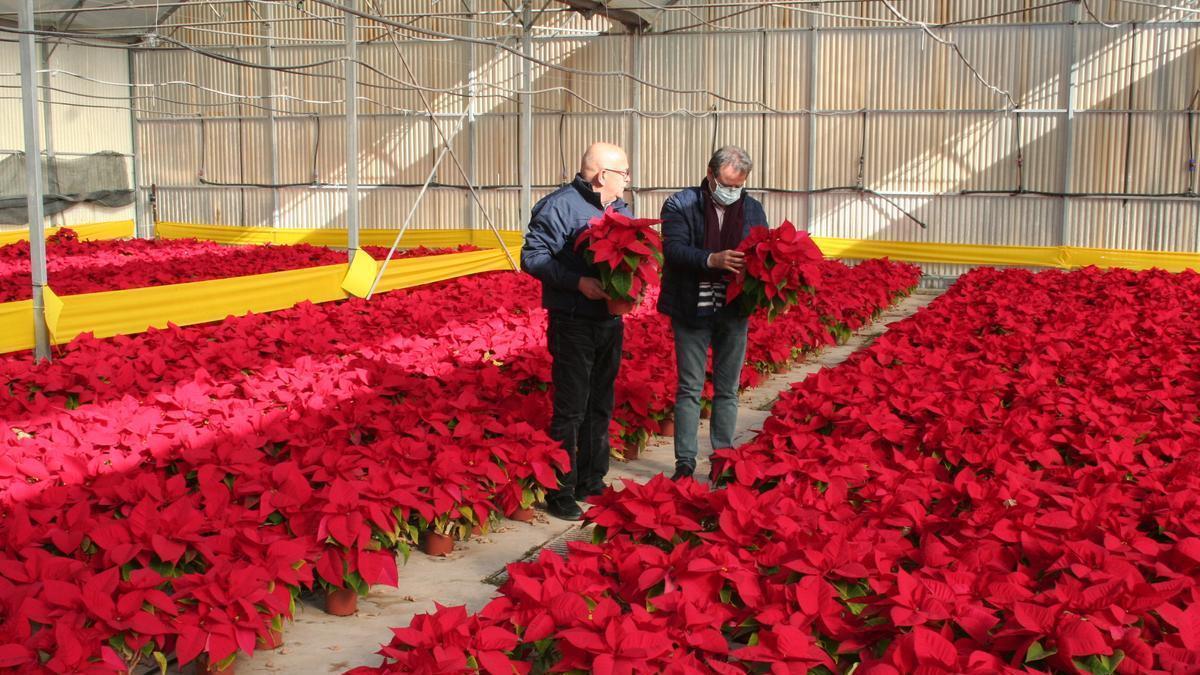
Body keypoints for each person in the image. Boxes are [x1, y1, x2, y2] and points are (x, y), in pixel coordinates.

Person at [520, 142, 633, 521]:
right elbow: (533, 257)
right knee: (571, 409)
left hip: (608, 320)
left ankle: (590, 479)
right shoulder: (560, 206)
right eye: (624, 173)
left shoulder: (619, 209)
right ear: (604, 176)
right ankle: (560, 490)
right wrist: (577, 282)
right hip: (573, 321)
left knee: (600, 402)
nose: (628, 180)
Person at [657, 145, 767, 481]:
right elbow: (673, 249)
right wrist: (711, 259)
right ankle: (685, 462)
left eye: (739, 186)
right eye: (727, 184)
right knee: (690, 387)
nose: (733, 192)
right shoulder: (681, 204)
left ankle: (722, 457)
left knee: (727, 388)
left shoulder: (752, 209)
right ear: (710, 175)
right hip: (692, 307)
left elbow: (763, 248)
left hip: (733, 310)